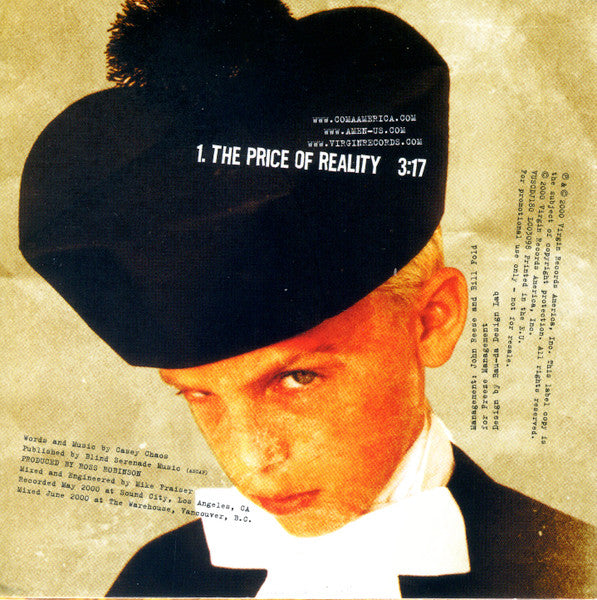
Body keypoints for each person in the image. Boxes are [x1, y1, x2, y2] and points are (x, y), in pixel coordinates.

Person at [19, 0, 596, 597]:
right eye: (199, 394)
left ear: (432, 319)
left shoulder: (568, 576)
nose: (251, 463)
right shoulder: (159, 579)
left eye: (297, 378)